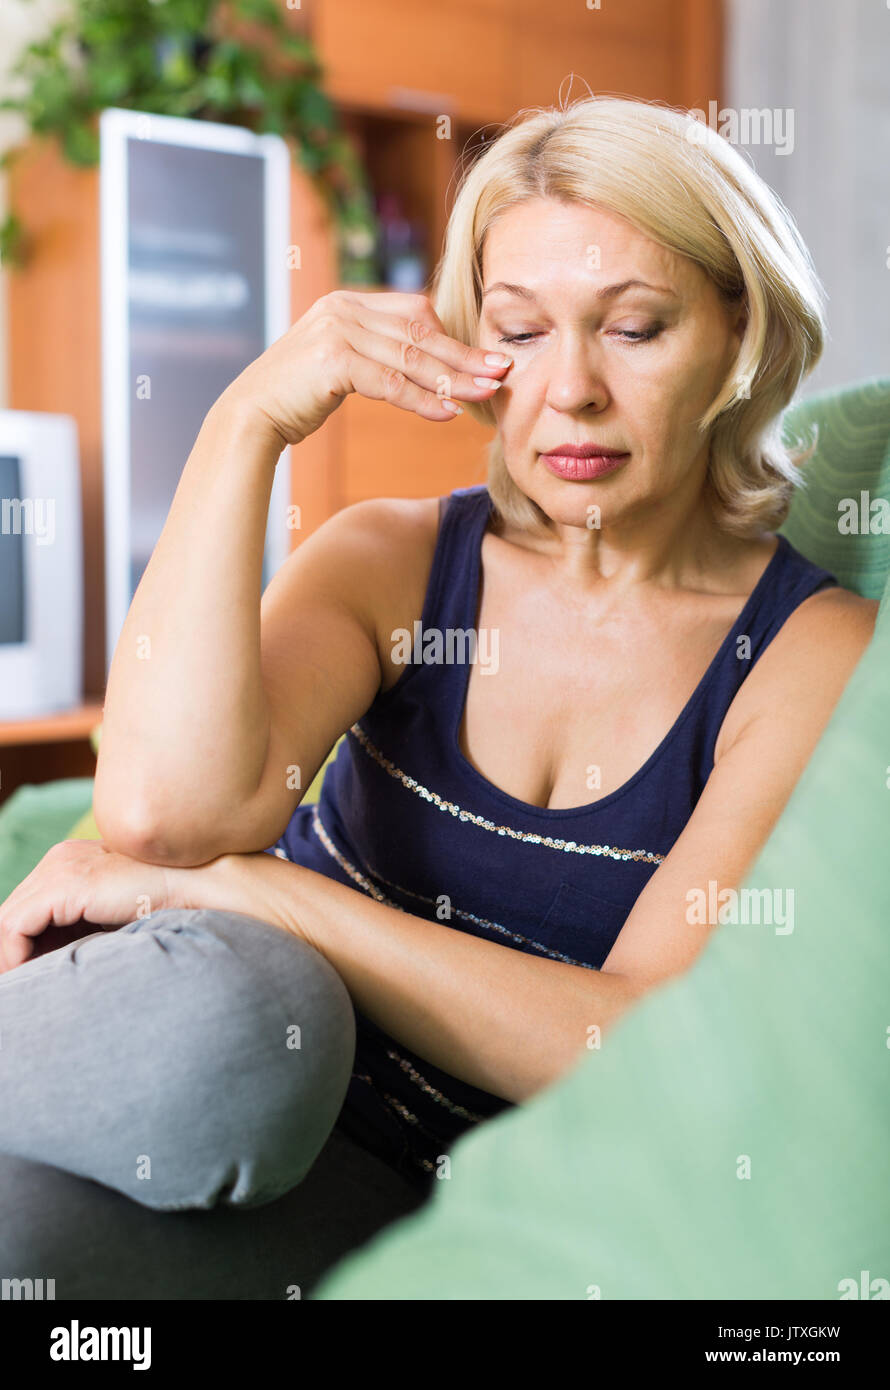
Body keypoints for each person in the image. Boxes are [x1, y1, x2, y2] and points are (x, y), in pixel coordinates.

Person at [0, 95, 877, 1298]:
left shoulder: (811, 651)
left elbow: (632, 1047)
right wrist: (244, 419)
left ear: (736, 332)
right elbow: (160, 821)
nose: (567, 389)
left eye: (632, 327)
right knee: (233, 1024)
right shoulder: (392, 560)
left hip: (393, 1201)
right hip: (200, 1082)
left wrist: (275, 897)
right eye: (518, 329)